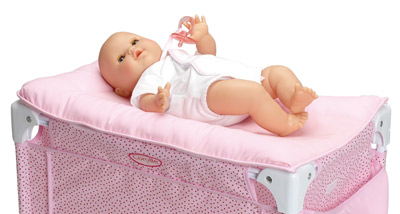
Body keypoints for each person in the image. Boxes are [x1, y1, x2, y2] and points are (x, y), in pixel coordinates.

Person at [98, 15, 317, 136]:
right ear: (122, 90)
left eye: (134, 41)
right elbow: (145, 101)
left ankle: (292, 98)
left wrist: (203, 37)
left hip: (236, 78)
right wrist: (157, 101)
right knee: (253, 94)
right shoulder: (147, 78)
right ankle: (283, 124)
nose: (132, 49)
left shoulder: (176, 55)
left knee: (277, 72)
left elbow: (208, 54)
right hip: (209, 98)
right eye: (121, 58)